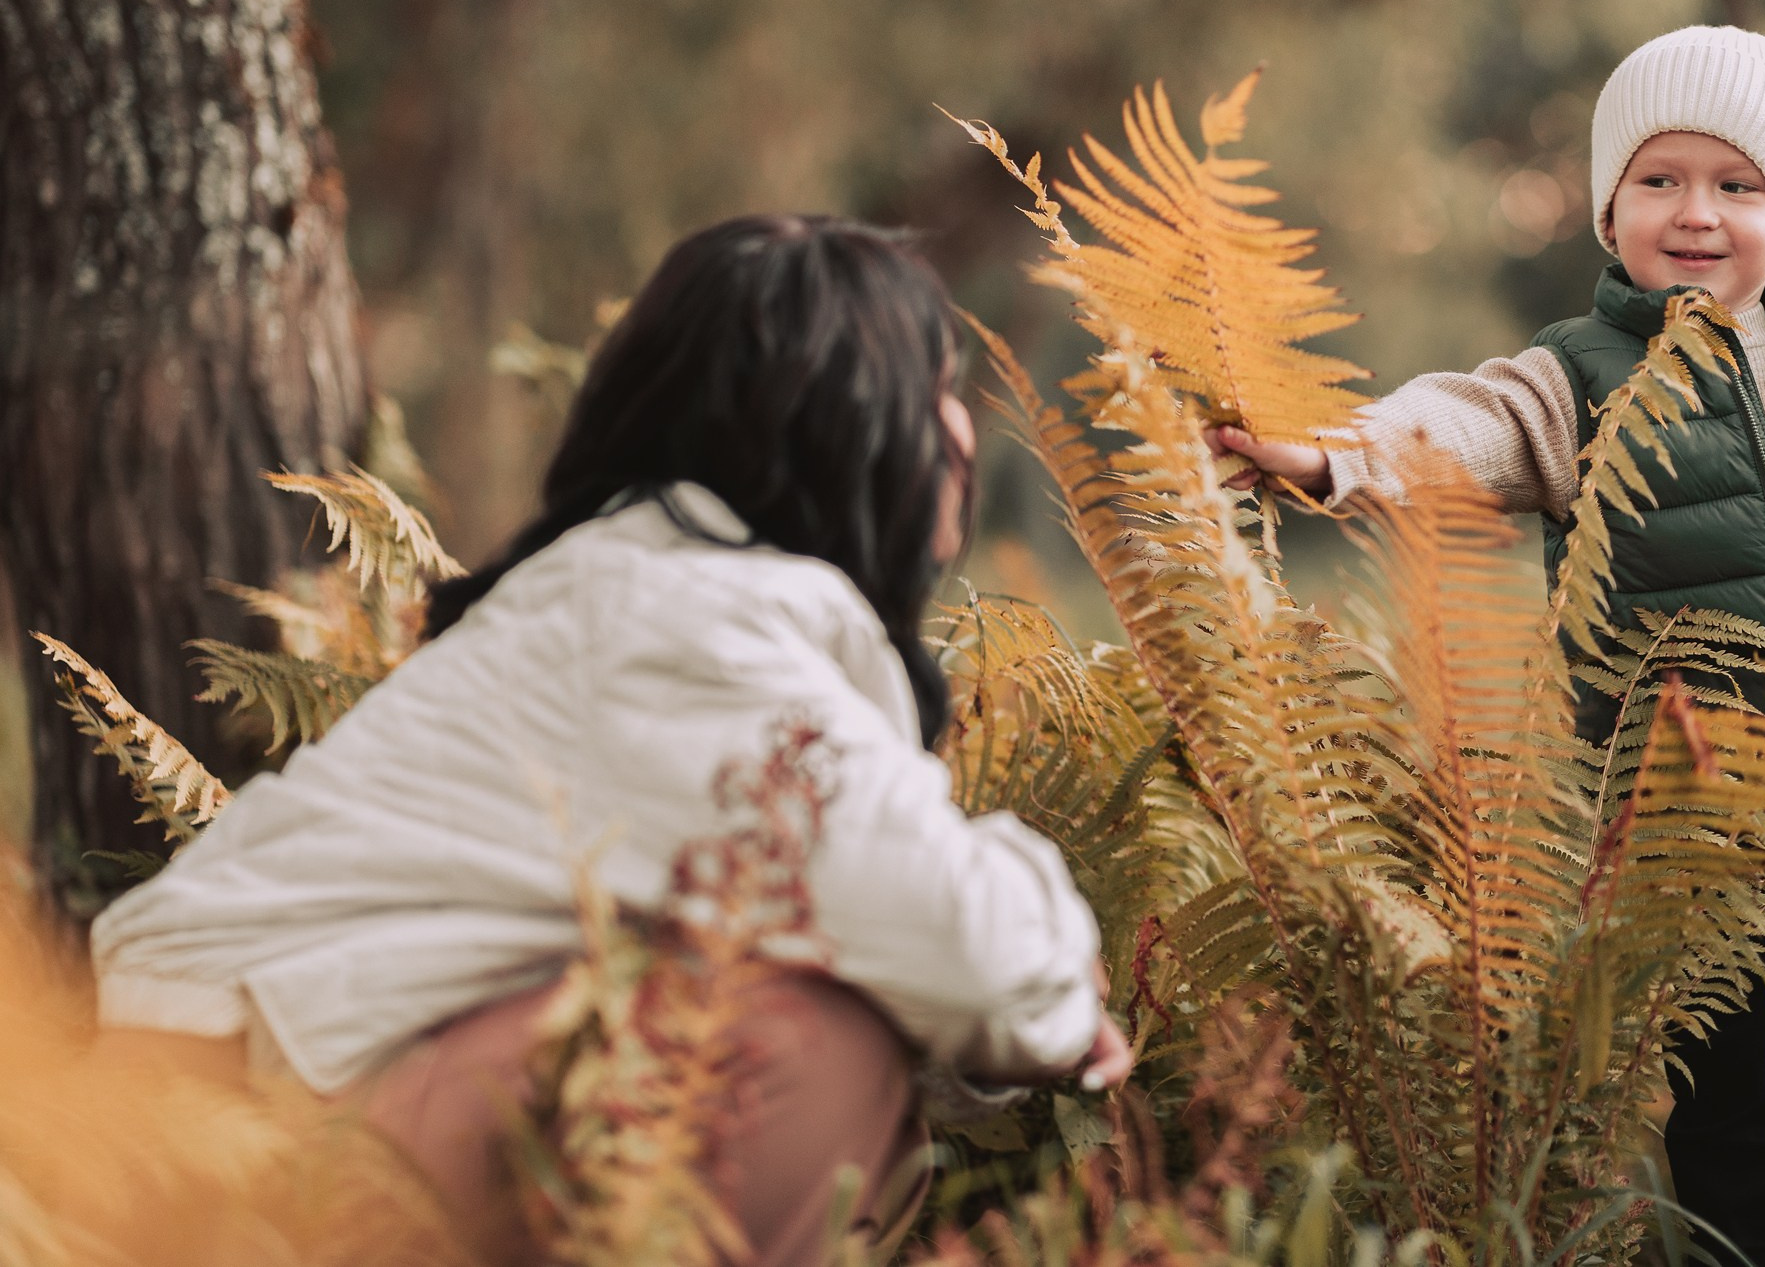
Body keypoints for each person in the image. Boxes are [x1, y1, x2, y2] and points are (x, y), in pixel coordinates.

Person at [90, 215, 1130, 1266]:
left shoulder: (646, 594)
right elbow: (959, 944)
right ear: (843, 423)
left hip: (260, 1103)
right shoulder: (687, 627)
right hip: (224, 1151)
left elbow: (913, 921)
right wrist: (1058, 982)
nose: (960, 430)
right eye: (933, 388)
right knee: (810, 1039)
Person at [1210, 27, 1765, 1267]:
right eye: (1657, 181)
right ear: (1608, 207)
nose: (1695, 215)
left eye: (1735, 185)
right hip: (1699, 813)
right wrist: (1330, 451)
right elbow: (1461, 425)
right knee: (1741, 1108)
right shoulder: (1576, 375)